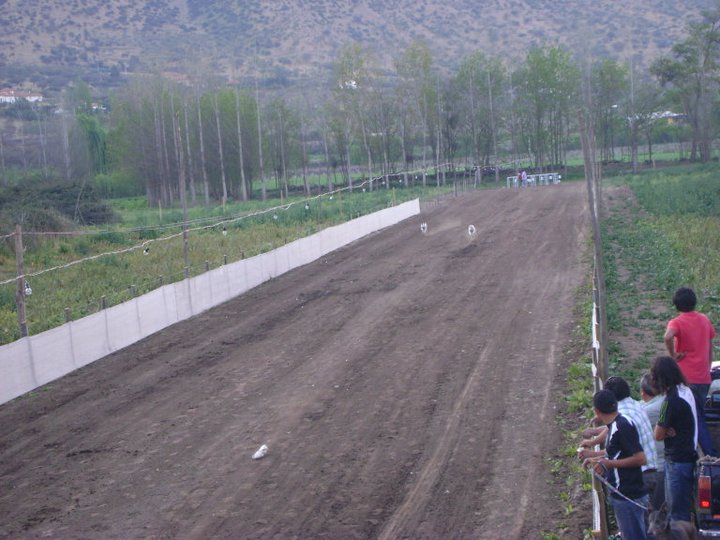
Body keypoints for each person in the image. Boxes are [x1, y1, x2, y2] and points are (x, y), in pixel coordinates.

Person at [582, 389, 648, 540]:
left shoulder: (622, 426)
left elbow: (640, 458)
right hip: (626, 495)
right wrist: (592, 457)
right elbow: (614, 453)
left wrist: (608, 464)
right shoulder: (615, 425)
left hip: (628, 495)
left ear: (597, 411)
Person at [581, 376, 658, 496]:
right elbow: (610, 432)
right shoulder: (636, 405)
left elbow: (614, 444)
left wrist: (594, 451)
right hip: (652, 469)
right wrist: (594, 441)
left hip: (639, 476)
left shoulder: (622, 419)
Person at [664, 286, 717, 456]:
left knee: (695, 419)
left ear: (676, 305)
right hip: (704, 377)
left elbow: (667, 336)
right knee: (699, 415)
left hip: (686, 378)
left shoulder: (677, 322)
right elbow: (709, 347)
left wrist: (673, 355)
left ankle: (710, 454)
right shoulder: (704, 320)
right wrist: (707, 368)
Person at [651, 355, 698, 524]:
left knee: (676, 514)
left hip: (676, 461)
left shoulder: (670, 400)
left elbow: (657, 434)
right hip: (688, 456)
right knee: (683, 509)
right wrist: (667, 429)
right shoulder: (686, 390)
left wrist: (663, 428)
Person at [640, 372, 666, 510]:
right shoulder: (662, 401)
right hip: (661, 465)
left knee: (653, 511)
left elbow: (626, 422)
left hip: (656, 467)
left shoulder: (650, 410)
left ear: (643, 392)